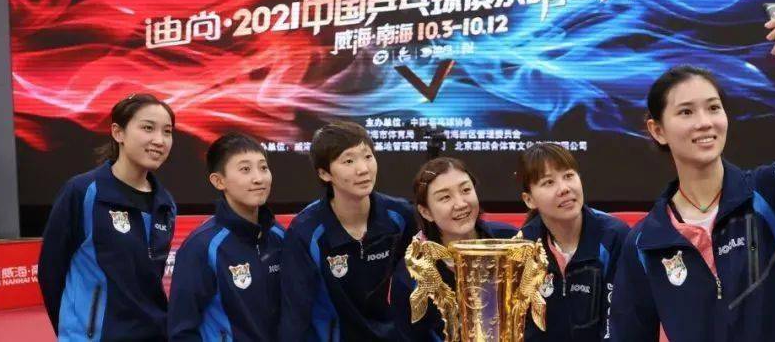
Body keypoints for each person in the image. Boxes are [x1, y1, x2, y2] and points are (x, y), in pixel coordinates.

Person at [608, 10, 775, 341]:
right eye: (686, 112)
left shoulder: (771, 195)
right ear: (658, 131)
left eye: (713, 108)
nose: (704, 122)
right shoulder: (645, 243)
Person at [38, 93, 178, 340]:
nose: (159, 140)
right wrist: (76, 331)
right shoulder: (82, 191)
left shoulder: (165, 204)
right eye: (148, 128)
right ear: (118, 132)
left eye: (167, 132)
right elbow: (51, 271)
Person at [278, 121, 416, 341]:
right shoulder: (305, 231)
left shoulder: (400, 216)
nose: (363, 169)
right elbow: (295, 315)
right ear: (324, 173)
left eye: (368, 156)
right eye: (348, 161)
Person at [168, 132, 285, 341]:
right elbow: (181, 329)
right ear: (219, 181)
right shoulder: (202, 246)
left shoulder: (280, 237)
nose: (259, 178)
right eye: (245, 169)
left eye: (263, 168)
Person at [391, 157, 517, 341]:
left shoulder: (510, 240)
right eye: (445, 197)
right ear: (426, 212)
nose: (461, 204)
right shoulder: (412, 272)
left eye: (466, 190)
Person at [515, 142, 629, 341]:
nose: (564, 189)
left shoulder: (614, 237)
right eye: (548, 182)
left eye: (568, 176)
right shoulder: (523, 245)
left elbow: (620, 324)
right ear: (529, 200)